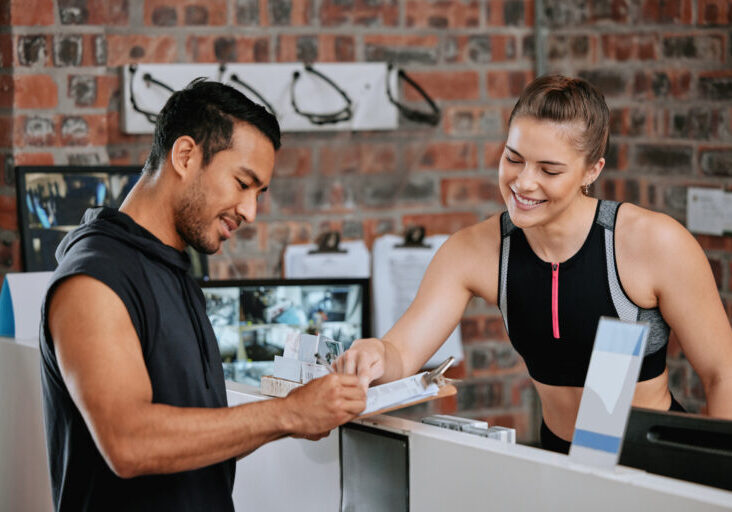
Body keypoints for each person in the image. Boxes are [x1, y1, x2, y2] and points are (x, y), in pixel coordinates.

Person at [335, 75, 732, 454]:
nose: (524, 183)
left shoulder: (654, 242)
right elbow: (401, 354)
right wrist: (374, 354)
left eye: (549, 169)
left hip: (654, 465)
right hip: (561, 461)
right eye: (514, 159)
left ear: (592, 170)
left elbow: (722, 372)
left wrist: (720, 484)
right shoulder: (474, 250)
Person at [40, 80, 366, 511]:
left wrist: (295, 415)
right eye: (242, 183)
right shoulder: (94, 279)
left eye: (258, 193)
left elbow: (195, 440)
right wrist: (287, 413)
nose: (250, 211)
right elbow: (129, 442)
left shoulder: (172, 270)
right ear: (185, 156)